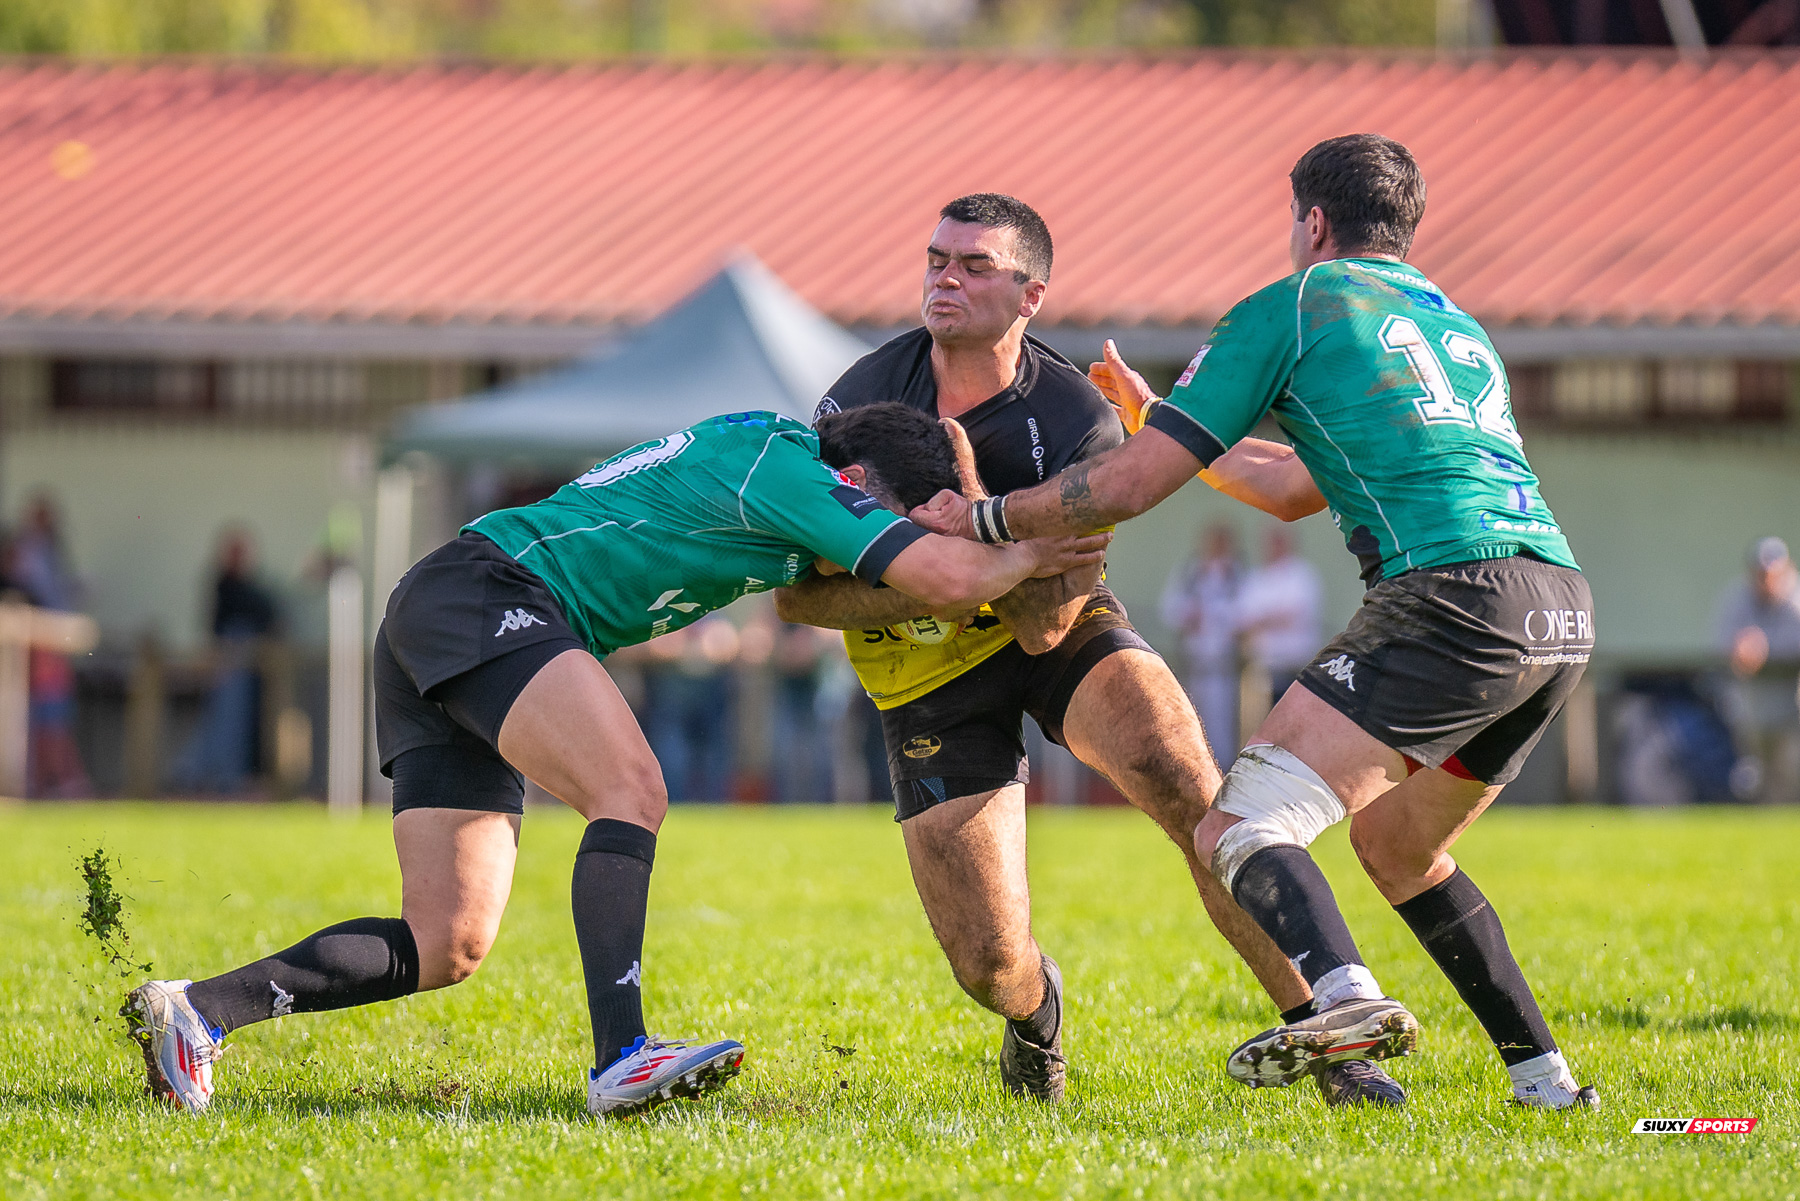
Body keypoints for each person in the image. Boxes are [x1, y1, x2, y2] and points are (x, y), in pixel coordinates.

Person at [121, 404, 1106, 1117]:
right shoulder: (787, 464)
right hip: (489, 593)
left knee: (448, 937)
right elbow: (935, 572)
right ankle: (622, 1056)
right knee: (631, 788)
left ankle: (197, 1014)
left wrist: (987, 526)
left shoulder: (776, 481)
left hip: (449, 609)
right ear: (859, 490)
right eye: (899, 517)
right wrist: (1039, 540)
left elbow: (837, 595)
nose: (883, 544)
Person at [911, 136, 1601, 1109]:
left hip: (1453, 595)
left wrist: (985, 517)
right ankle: (1547, 1083)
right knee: (1399, 850)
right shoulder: (1450, 324)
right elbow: (1290, 488)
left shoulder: (1295, 307)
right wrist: (1159, 414)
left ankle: (1345, 996)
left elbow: (1132, 487)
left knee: (1239, 821)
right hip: (1558, 607)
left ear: (1311, 220)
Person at [779, 193, 1401, 1107]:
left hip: (1061, 631)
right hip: (919, 673)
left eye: (975, 265)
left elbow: (1045, 624)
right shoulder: (855, 400)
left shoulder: (1073, 415)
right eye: (937, 258)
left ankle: (1335, 1041)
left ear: (1031, 295)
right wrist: (977, 561)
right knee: (988, 964)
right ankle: (1036, 1017)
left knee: (1196, 791)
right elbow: (797, 594)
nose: (945, 277)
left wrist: (972, 507)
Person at [169, 527, 280, 795]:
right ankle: (204, 776)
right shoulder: (226, 586)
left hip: (246, 668)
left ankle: (222, 777)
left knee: (233, 725)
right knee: (221, 723)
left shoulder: (248, 588)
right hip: (229, 666)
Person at [1714, 536, 1800, 803]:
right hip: (1752, 710)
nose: (1767, 581)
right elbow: (1720, 643)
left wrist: (1765, 649)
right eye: (1762, 574)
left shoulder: (1796, 600)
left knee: (1789, 778)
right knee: (1757, 782)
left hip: (1792, 711)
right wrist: (1739, 649)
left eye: (1774, 574)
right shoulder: (1738, 597)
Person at [1160, 523, 1243, 758]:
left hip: (1224, 664)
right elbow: (1170, 608)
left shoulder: (1237, 574)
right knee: (1190, 717)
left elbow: (1245, 613)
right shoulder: (1190, 572)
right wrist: (1189, 615)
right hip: (1193, 662)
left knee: (1221, 722)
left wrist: (1219, 618)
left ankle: (1220, 769)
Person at [1235, 525, 1324, 714]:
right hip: (1263, 668)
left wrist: (1264, 620)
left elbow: (1294, 615)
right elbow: (1243, 621)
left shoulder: (1301, 574)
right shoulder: (1256, 578)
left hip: (1294, 668)